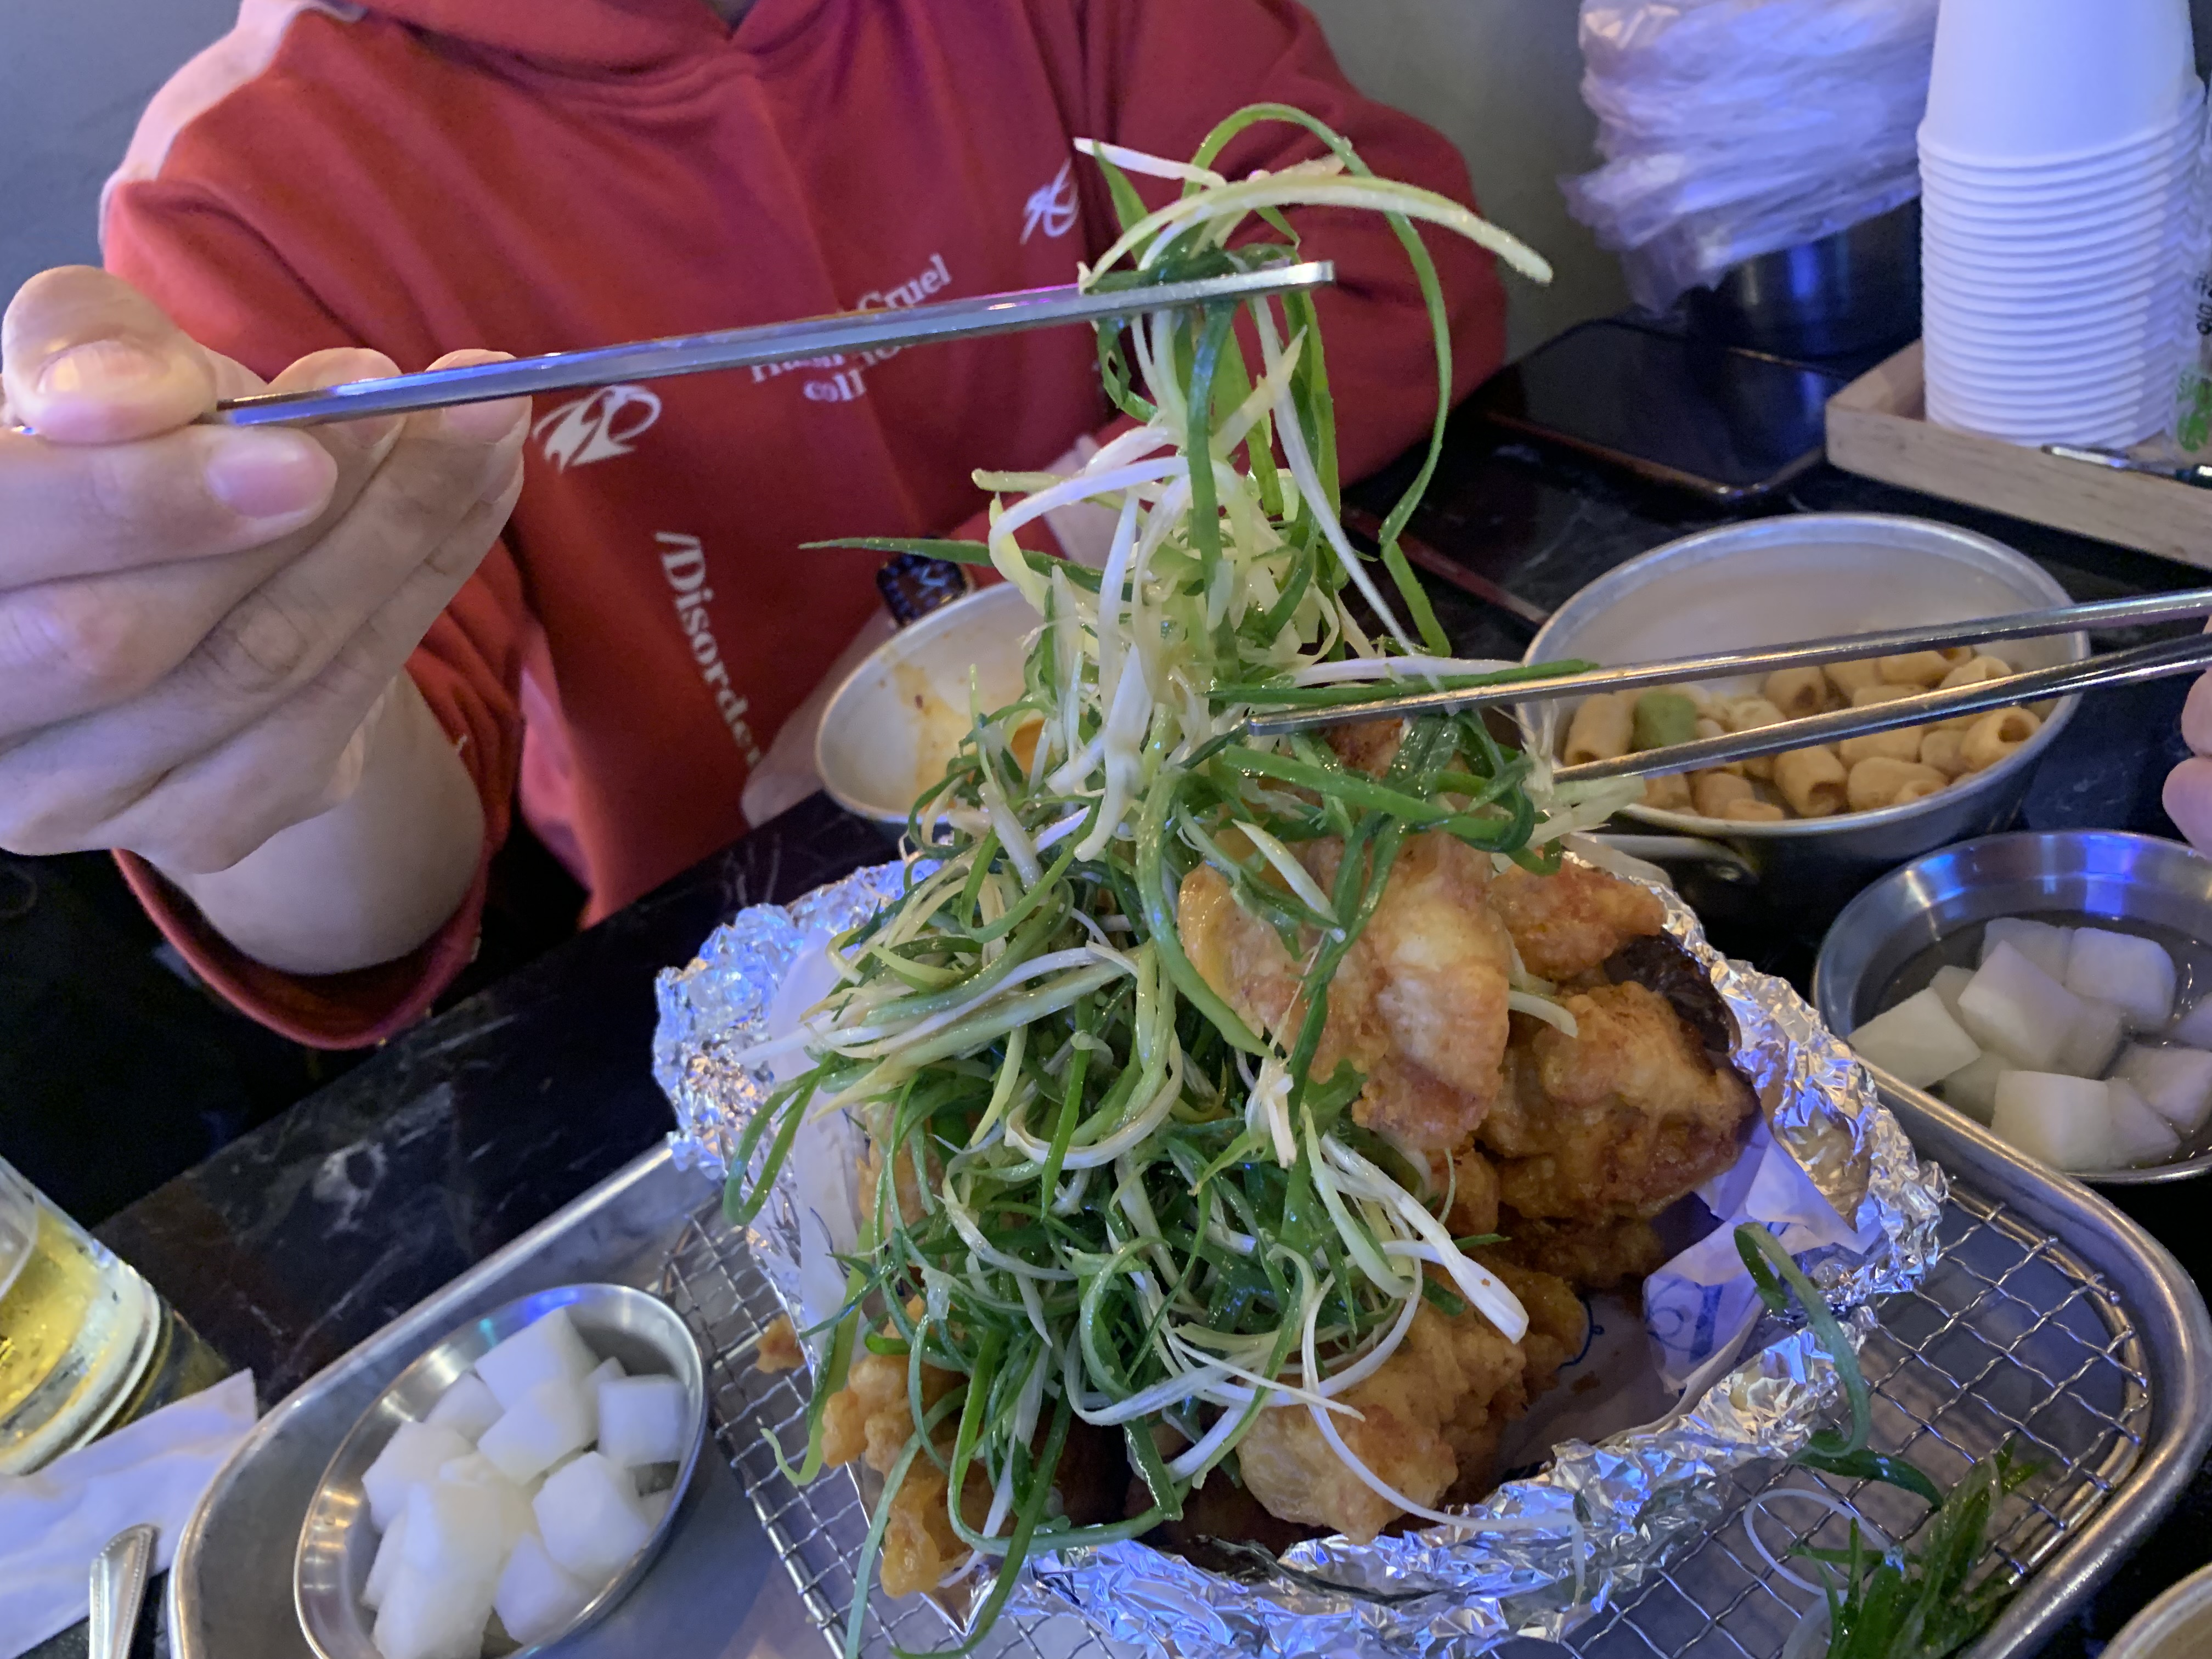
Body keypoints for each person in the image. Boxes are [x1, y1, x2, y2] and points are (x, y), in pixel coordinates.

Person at [0, 0, 1507, 1049]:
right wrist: (235, 700)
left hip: (1252, 781)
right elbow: (367, 893)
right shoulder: (255, 181)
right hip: (792, 970)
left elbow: (1385, 280)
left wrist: (960, 593)